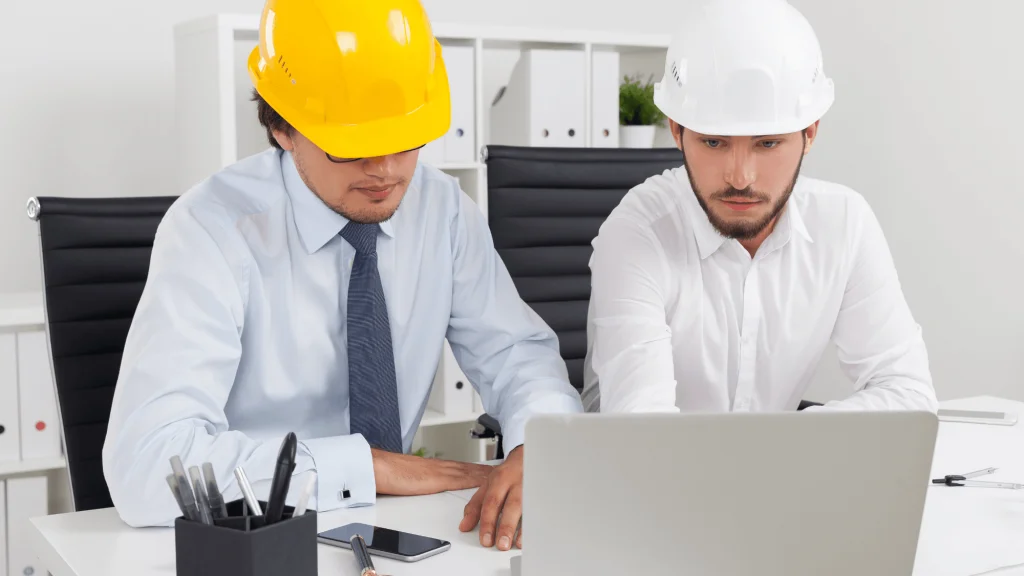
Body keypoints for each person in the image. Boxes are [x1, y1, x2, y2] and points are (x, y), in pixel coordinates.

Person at [102, 0, 582, 552]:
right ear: (282, 127)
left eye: (405, 139)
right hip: (253, 541)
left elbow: (517, 355)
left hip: (400, 536)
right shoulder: (210, 230)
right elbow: (147, 465)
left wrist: (535, 446)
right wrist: (364, 467)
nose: (385, 171)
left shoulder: (443, 209)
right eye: (352, 144)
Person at [581, 0, 938, 414]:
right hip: (643, 476)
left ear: (809, 134)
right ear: (677, 131)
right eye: (714, 142)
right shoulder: (638, 233)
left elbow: (908, 393)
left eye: (767, 143)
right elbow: (641, 429)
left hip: (782, 473)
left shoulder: (843, 224)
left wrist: (796, 440)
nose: (740, 177)